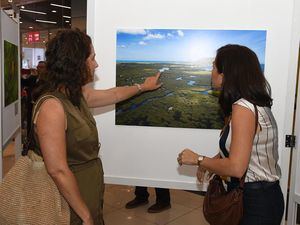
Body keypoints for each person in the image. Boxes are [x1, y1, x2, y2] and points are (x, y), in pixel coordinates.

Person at [31, 29, 162, 225]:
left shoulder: (74, 96)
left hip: (86, 192)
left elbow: (114, 95)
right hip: (68, 204)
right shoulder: (53, 107)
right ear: (76, 63)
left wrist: (143, 87)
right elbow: (57, 169)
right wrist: (85, 215)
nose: (96, 64)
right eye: (92, 58)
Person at [177, 44, 284, 225]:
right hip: (261, 195)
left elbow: (236, 168)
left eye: (213, 66)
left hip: (255, 201)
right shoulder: (252, 103)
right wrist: (212, 163)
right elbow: (240, 149)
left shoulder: (242, 108)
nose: (211, 72)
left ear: (226, 73)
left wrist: (199, 159)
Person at [21, 61, 47, 134]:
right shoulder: (33, 78)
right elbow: (23, 82)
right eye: (38, 67)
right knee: (30, 122)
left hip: (41, 107)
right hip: (31, 105)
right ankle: (29, 139)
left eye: (42, 67)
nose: (39, 69)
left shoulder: (48, 81)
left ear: (46, 69)